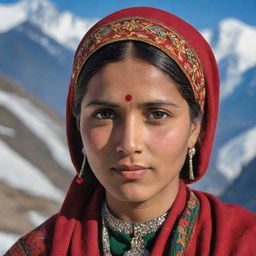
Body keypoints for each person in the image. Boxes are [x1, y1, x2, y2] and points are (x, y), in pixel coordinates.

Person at [5, 6, 256, 256]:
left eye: (157, 114)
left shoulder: (243, 244)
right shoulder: (39, 251)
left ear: (195, 128)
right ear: (78, 124)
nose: (129, 143)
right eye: (105, 114)